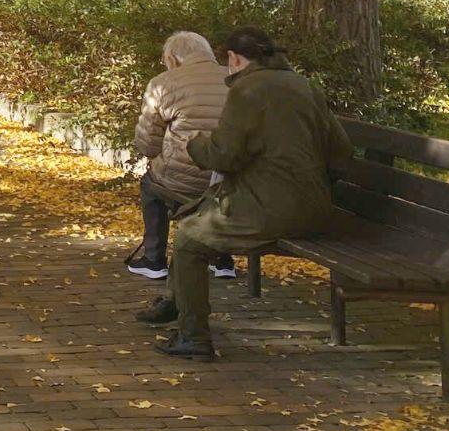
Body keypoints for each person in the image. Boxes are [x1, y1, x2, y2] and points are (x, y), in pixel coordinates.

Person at [138, 28, 350, 361]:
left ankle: (193, 336)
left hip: (272, 209)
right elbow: (341, 154)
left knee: (189, 240)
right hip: (316, 207)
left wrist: (194, 143)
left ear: (235, 59)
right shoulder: (306, 87)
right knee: (194, 218)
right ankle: (176, 303)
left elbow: (224, 157)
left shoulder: (246, 90)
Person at [125, 32, 232, 281]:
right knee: (214, 186)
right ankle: (223, 260)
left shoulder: (163, 83)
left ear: (172, 58)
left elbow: (148, 143)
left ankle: (154, 259)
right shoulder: (236, 78)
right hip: (231, 178)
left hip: (185, 178)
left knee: (151, 185)